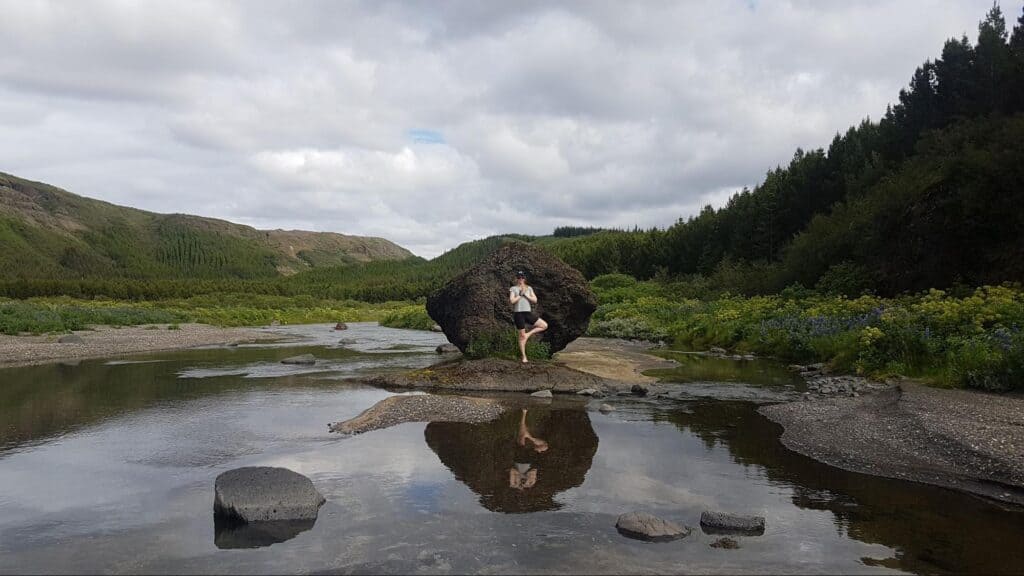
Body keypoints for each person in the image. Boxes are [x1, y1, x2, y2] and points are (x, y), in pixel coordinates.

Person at [509, 270, 549, 363]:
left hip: (528, 313)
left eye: (522, 277)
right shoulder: (513, 288)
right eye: (519, 277)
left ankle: (528, 335)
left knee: (544, 325)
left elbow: (535, 300)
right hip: (518, 314)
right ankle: (524, 357)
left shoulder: (529, 288)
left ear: (525, 278)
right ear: (516, 279)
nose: (521, 279)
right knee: (521, 336)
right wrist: (520, 295)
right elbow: (512, 301)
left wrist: (526, 294)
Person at [509, 408, 548, 490]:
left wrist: (518, 479)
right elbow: (534, 470)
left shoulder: (514, 482)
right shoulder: (531, 482)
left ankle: (524, 413)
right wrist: (528, 481)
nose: (522, 483)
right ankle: (529, 435)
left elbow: (512, 470)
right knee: (545, 446)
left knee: (522, 437)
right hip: (529, 460)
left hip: (520, 459)